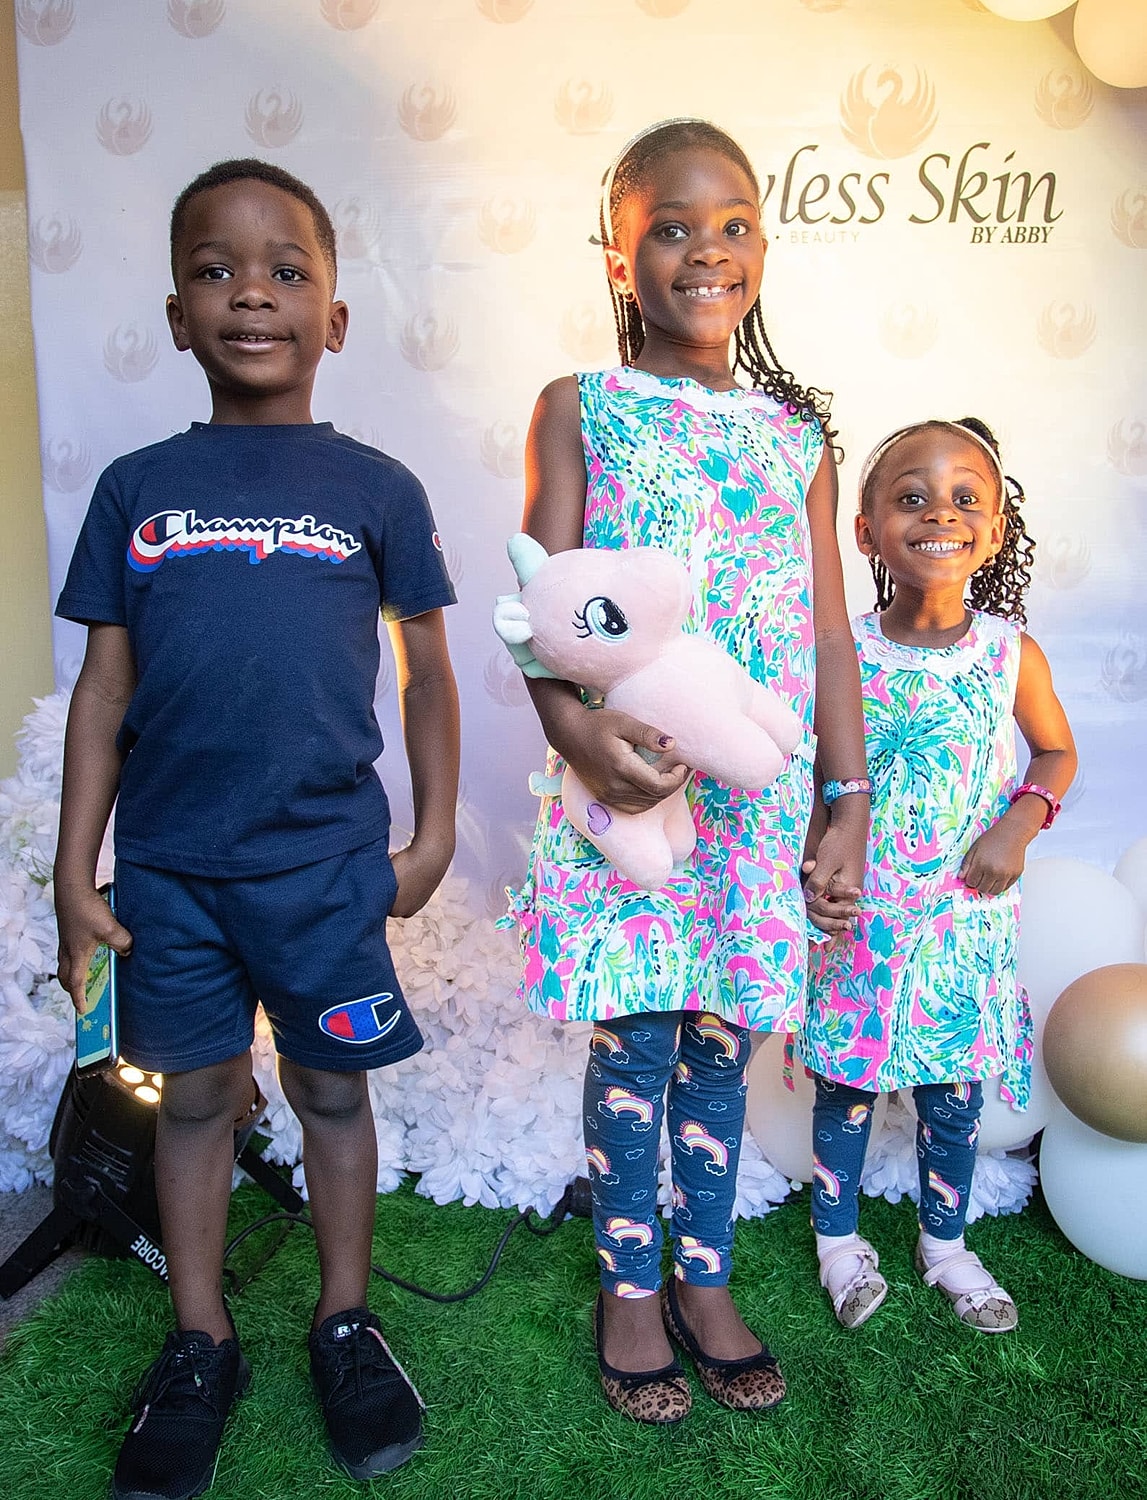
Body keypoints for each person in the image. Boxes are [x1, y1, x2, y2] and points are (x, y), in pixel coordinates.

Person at [53, 159, 460, 1497]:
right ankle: (199, 1337)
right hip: (171, 876)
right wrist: (76, 871)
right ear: (177, 313)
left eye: (287, 271)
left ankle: (344, 1322)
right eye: (217, 270)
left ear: (334, 317)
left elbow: (430, 672)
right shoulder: (134, 489)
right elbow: (105, 688)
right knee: (201, 1101)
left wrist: (434, 829)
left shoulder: (378, 490)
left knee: (330, 1090)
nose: (253, 295)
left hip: (327, 875)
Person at [505, 118, 868, 1423]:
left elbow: (828, 631)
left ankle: (703, 1277)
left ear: (759, 247)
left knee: (721, 1032)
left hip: (755, 795)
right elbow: (529, 602)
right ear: (616, 255)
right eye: (668, 226)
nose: (702, 251)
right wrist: (570, 728)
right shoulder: (576, 407)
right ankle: (625, 1285)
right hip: (627, 790)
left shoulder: (797, 432)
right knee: (638, 1033)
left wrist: (846, 800)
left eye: (730, 226)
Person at [800, 417, 1076, 1333]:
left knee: (950, 1090)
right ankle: (837, 1240)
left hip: (963, 917)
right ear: (865, 529)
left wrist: (1019, 824)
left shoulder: (1007, 656)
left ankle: (945, 1243)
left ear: (992, 532)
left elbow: (1055, 752)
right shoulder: (840, 655)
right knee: (845, 1081)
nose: (938, 513)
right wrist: (814, 860)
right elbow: (814, 768)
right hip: (861, 913)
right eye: (910, 497)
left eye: (965, 499)